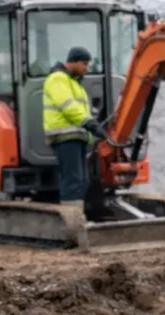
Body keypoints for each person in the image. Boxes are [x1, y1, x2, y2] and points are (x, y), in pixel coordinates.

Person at [42, 46, 106, 209]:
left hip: (76, 138)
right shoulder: (57, 79)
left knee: (82, 181)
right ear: (73, 62)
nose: (87, 67)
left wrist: (92, 133)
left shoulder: (75, 83)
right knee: (73, 180)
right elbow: (69, 107)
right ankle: (71, 221)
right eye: (84, 63)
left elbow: (81, 110)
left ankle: (76, 218)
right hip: (65, 137)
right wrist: (89, 123)